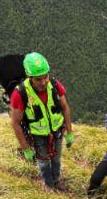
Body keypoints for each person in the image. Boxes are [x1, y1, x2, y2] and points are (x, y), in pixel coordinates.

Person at [10, 52, 74, 190]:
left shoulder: (54, 85)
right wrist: (26, 148)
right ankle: (48, 185)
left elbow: (65, 107)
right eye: (39, 79)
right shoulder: (20, 93)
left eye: (46, 77)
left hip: (56, 130)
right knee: (43, 163)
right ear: (30, 77)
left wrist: (69, 132)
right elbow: (15, 123)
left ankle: (56, 180)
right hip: (37, 135)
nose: (44, 82)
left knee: (56, 159)